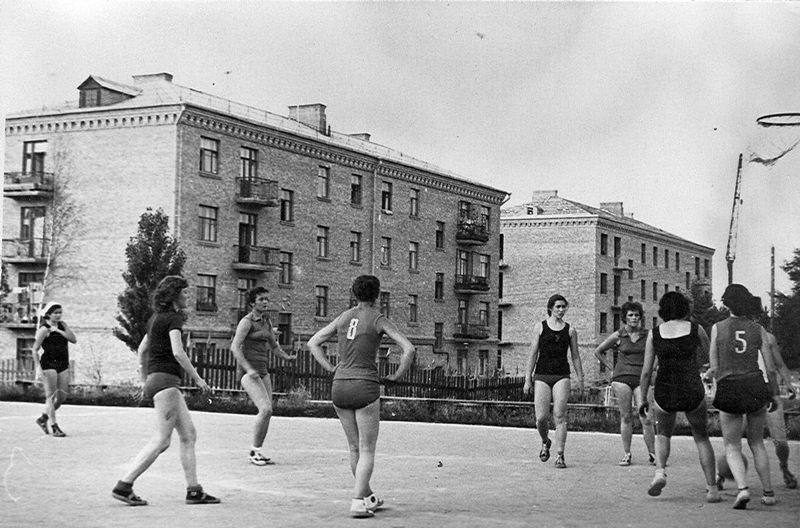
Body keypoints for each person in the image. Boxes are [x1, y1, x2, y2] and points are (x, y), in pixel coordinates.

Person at [307, 275, 415, 518]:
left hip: (340, 385)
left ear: (353, 293)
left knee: (354, 447)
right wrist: (397, 375)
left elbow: (313, 343)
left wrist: (330, 367)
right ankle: (357, 501)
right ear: (377, 295)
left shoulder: (344, 317)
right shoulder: (378, 318)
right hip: (365, 384)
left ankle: (367, 496)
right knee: (367, 448)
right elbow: (409, 349)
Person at [112, 275, 220, 507]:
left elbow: (142, 350)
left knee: (188, 435)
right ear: (174, 295)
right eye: (184, 292)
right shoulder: (173, 318)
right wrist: (199, 380)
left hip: (157, 380)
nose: (187, 296)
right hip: (167, 382)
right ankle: (124, 484)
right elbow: (178, 353)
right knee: (162, 440)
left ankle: (194, 490)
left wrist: (145, 382)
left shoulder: (155, 319)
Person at [639, 291, 720, 503]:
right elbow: (712, 355)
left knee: (663, 434)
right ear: (685, 308)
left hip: (665, 389)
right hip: (691, 387)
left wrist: (642, 399)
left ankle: (659, 472)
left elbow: (646, 371)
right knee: (701, 437)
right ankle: (712, 488)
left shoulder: (654, 333)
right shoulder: (696, 329)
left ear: (663, 310)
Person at [707, 285, 778, 509]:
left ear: (727, 303)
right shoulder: (759, 330)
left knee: (732, 446)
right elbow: (771, 368)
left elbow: (714, 367)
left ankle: (742, 489)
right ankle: (768, 493)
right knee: (757, 443)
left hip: (729, 387)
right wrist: (773, 393)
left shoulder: (717, 328)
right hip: (755, 386)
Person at [231, 286, 296, 466]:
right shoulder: (246, 322)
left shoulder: (266, 322)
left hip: (263, 372)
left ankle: (258, 450)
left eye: (267, 299)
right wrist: (248, 369)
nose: (265, 302)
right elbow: (235, 347)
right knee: (265, 409)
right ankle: (253, 451)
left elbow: (274, 347)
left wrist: (287, 357)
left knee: (269, 412)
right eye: (261, 299)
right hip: (249, 373)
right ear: (252, 302)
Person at [523, 294, 584, 469]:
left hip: (561, 376)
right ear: (550, 308)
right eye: (557, 307)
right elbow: (533, 354)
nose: (561, 310)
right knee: (541, 418)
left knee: (559, 415)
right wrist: (528, 379)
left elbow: (576, 357)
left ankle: (560, 455)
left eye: (564, 307)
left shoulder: (570, 331)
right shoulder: (540, 327)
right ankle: (545, 441)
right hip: (542, 375)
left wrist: (580, 379)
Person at [594, 301, 655, 466]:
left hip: (642, 379)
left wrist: (653, 367)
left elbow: (658, 354)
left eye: (636, 315)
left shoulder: (649, 334)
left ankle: (653, 454)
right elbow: (598, 351)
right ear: (625, 318)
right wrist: (611, 369)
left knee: (646, 417)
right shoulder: (618, 335)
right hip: (622, 379)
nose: (634, 318)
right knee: (626, 416)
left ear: (641, 317)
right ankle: (627, 454)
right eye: (631, 315)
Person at [32, 302, 77, 437]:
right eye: (55, 313)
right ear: (48, 314)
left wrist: (58, 330)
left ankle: (43, 418)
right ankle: (54, 426)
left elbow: (73, 339)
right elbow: (34, 349)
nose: (58, 315)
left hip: (62, 364)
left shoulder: (63, 325)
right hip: (49, 364)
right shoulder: (44, 329)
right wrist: (38, 368)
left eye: (59, 312)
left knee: (62, 396)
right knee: (50, 396)